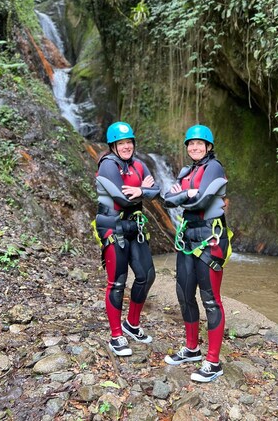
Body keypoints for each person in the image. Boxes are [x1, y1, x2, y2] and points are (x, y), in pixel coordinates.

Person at [164, 124, 231, 383]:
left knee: (211, 300)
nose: (194, 147)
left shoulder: (214, 167)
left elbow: (201, 201)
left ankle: (213, 362)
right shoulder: (187, 171)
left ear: (208, 147)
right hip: (187, 238)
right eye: (191, 144)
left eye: (199, 144)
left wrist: (183, 194)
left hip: (210, 239)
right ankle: (192, 349)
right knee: (184, 293)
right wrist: (186, 193)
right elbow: (166, 199)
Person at [94, 121, 159, 356]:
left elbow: (156, 191)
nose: (126, 146)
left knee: (146, 275)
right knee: (117, 282)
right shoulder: (108, 165)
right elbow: (120, 198)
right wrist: (143, 191)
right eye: (121, 143)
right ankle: (115, 335)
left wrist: (142, 191)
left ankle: (131, 325)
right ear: (113, 145)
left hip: (135, 227)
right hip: (113, 226)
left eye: (128, 142)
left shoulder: (138, 165)